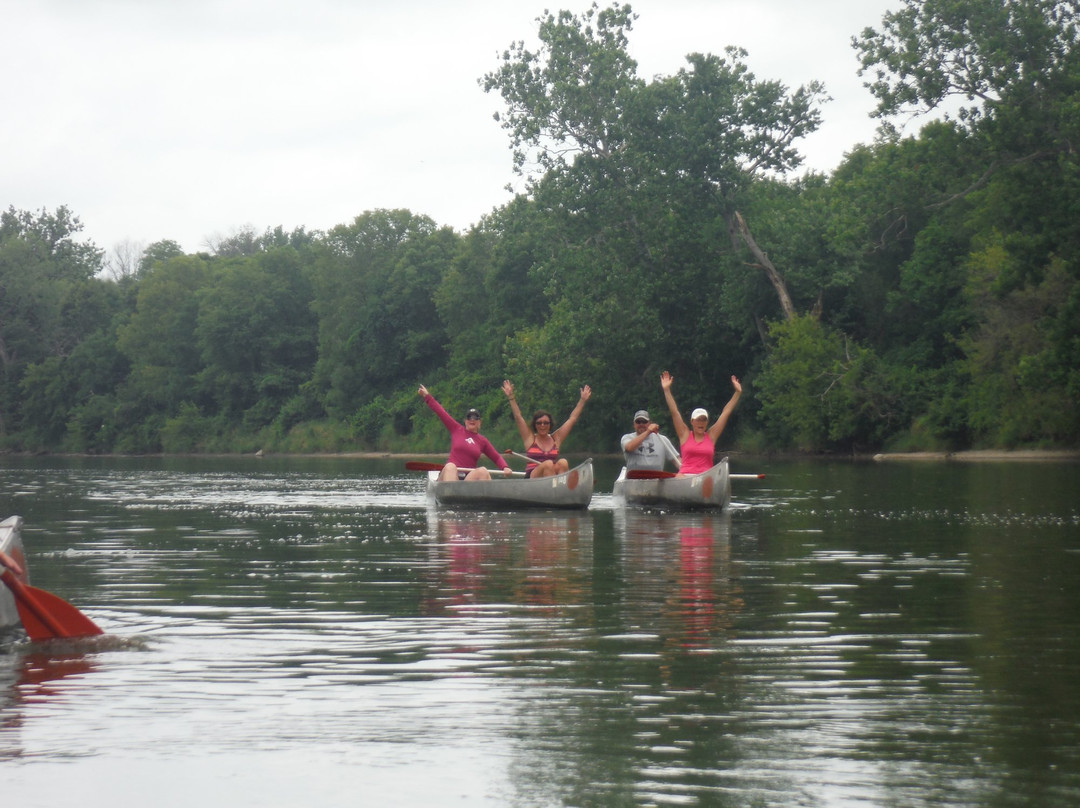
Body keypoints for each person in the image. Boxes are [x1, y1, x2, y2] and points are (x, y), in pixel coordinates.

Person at [417, 385, 512, 481]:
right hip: (451, 476)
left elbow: (496, 457)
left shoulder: (482, 441)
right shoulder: (456, 429)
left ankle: (482, 494)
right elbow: (441, 412)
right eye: (469, 417)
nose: (472, 420)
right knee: (450, 466)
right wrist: (427, 396)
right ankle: (451, 493)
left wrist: (505, 467)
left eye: (475, 418)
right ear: (465, 421)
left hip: (467, 479)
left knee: (483, 471)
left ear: (480, 422)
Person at [502, 379, 591, 478]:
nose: (542, 426)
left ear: (550, 424)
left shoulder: (556, 438)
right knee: (548, 464)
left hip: (552, 477)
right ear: (535, 425)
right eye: (539, 423)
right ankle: (552, 489)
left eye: (545, 423)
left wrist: (582, 401)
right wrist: (511, 397)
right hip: (533, 477)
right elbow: (518, 417)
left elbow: (572, 419)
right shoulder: (530, 438)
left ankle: (561, 489)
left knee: (563, 462)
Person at [660, 370, 742, 476]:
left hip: (706, 477)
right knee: (680, 477)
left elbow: (726, 413)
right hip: (685, 476)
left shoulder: (711, 436)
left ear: (707, 422)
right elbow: (674, 412)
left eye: (704, 420)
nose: (701, 423)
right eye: (698, 420)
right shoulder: (684, 434)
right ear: (692, 422)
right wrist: (667, 390)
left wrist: (737, 393)